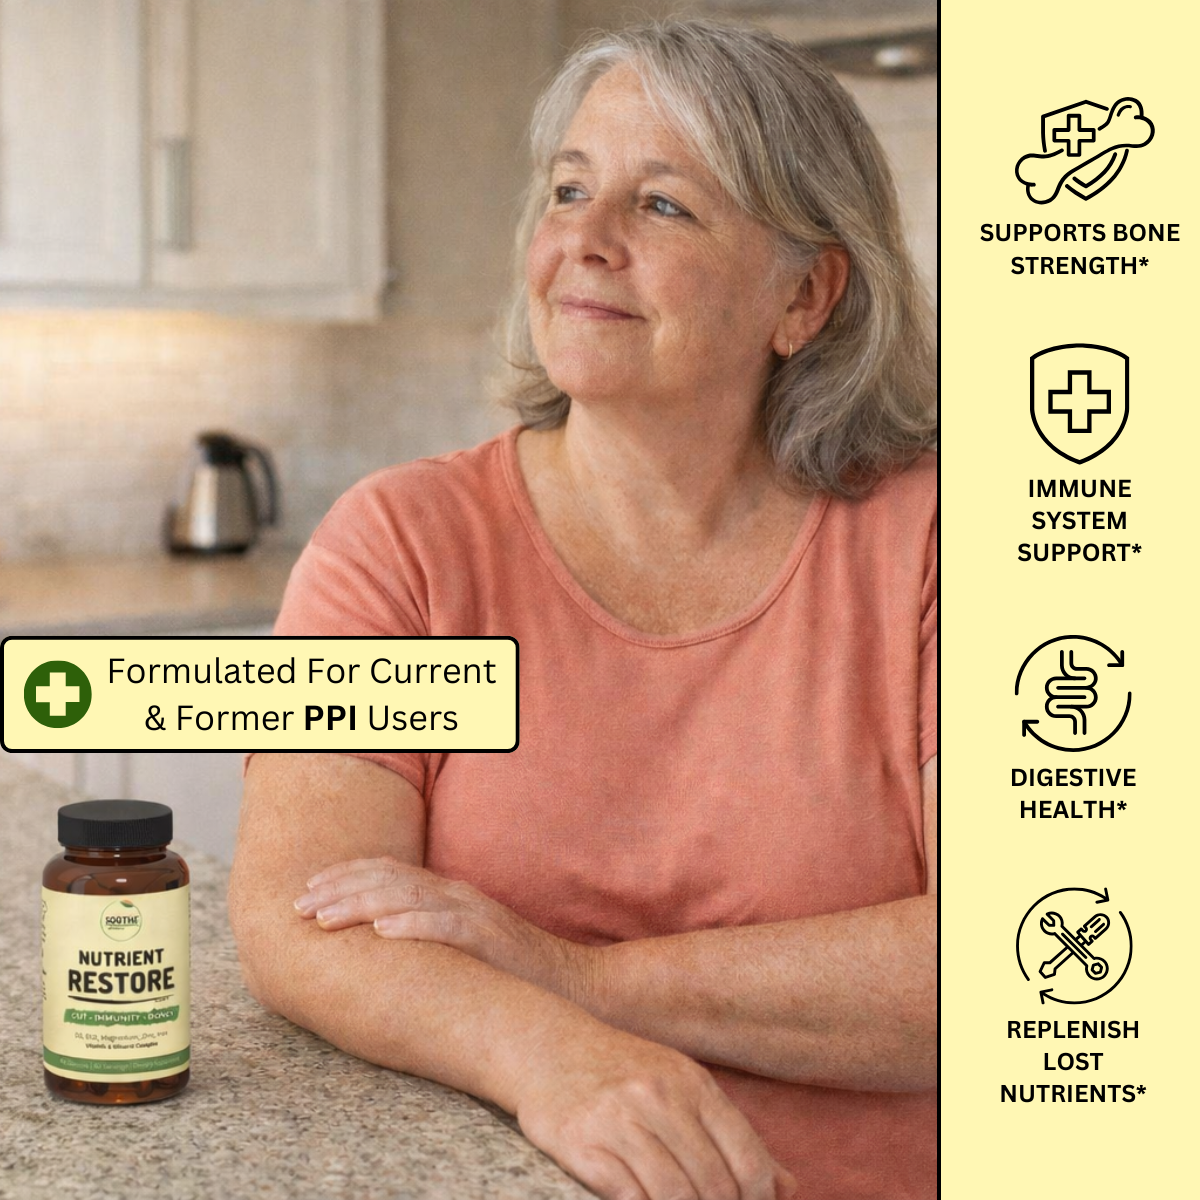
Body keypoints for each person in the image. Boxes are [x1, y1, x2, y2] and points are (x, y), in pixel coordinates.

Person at [229, 18, 937, 1200]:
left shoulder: (941, 548)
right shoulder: (404, 542)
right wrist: (548, 1053)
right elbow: (304, 917)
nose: (586, 243)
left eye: (663, 206)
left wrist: (582, 980)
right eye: (569, 189)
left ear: (804, 296)